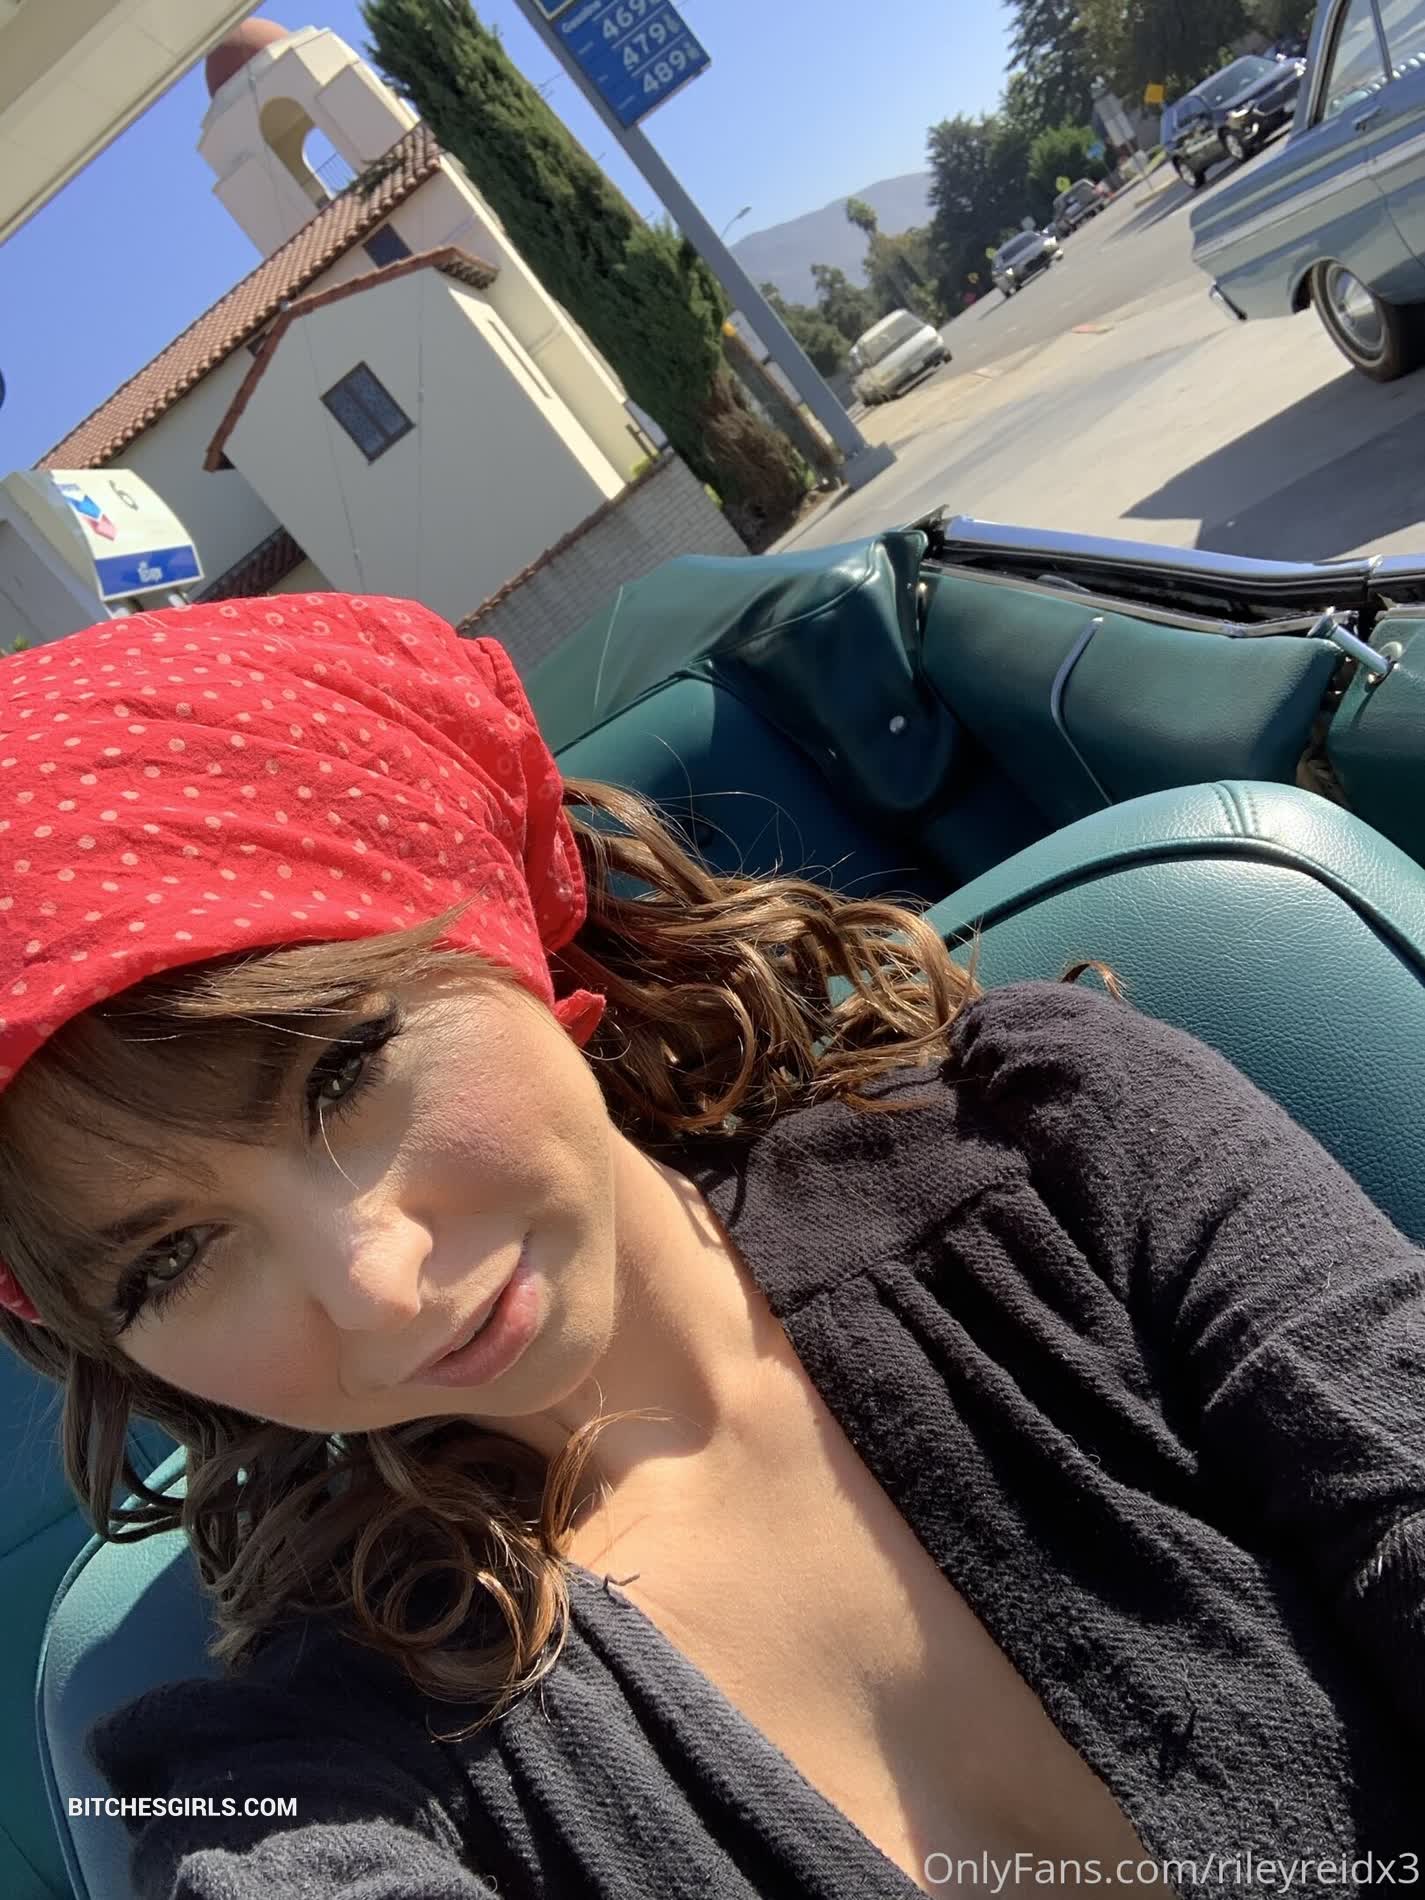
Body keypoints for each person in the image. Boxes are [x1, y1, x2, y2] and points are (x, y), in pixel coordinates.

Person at [0, 592, 1421, 1900]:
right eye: (170, 1262)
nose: (374, 1288)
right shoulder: (289, 1766)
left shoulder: (1062, 1147)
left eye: (343, 1073)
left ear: (498, 929)